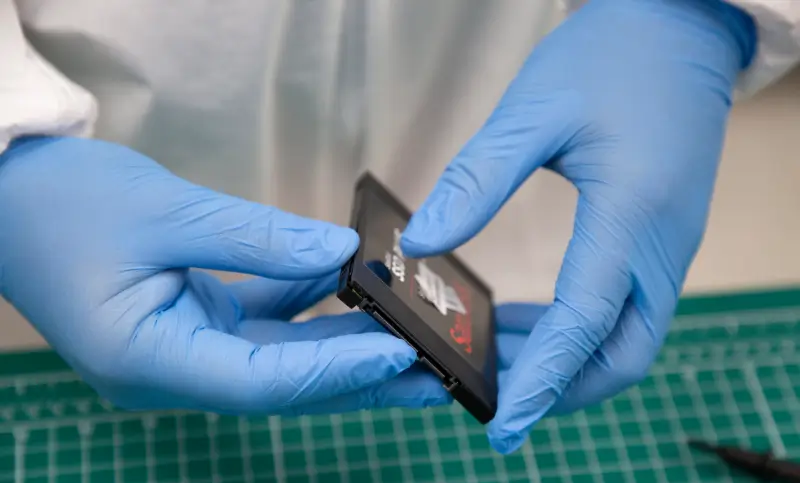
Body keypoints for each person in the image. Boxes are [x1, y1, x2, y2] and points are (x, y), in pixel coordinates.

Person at [0, 0, 797, 455]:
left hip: (504, 163)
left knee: (501, 324)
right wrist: (13, 163)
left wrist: (696, 14)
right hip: (102, 203)